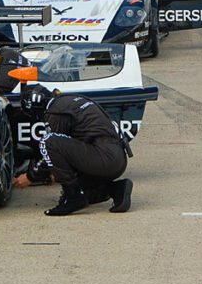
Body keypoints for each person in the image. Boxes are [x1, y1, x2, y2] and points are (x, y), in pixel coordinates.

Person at [13, 84, 133, 216]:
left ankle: (73, 197)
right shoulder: (69, 100)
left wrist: (30, 176)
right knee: (81, 189)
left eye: (28, 112)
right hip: (117, 159)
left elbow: (50, 151)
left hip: (103, 158)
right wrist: (52, 173)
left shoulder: (55, 112)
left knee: (48, 142)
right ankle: (117, 189)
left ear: (34, 107)